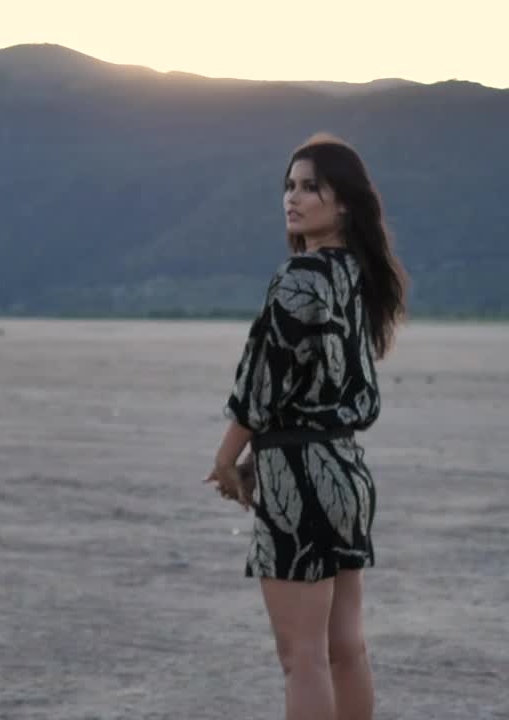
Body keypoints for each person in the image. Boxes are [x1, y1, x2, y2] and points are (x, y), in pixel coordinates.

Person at [206, 133, 407, 720]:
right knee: (345, 650)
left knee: (302, 658)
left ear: (342, 202)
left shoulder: (302, 276)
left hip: (300, 479)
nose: (293, 198)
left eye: (310, 187)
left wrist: (226, 459)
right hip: (345, 472)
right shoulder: (358, 276)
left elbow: (264, 386)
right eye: (289, 186)